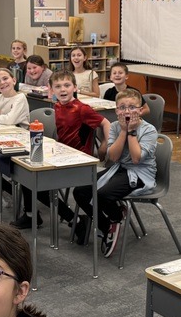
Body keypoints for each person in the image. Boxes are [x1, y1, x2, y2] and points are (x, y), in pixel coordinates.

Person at [10, 71, 110, 230]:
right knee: (28, 173)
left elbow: (105, 123)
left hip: (79, 161)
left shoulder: (82, 109)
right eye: (58, 86)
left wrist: (105, 144)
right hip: (62, 156)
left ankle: (74, 220)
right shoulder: (58, 105)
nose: (63, 89)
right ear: (51, 90)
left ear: (75, 87)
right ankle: (31, 216)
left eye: (67, 85)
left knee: (36, 182)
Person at [73, 87, 156, 258]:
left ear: (140, 110)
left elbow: (136, 159)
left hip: (140, 173)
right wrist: (123, 131)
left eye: (132, 107)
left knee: (103, 195)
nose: (127, 111)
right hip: (118, 169)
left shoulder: (149, 130)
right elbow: (114, 157)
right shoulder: (114, 127)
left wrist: (131, 132)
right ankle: (108, 224)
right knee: (80, 191)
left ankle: (115, 215)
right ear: (117, 110)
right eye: (123, 107)